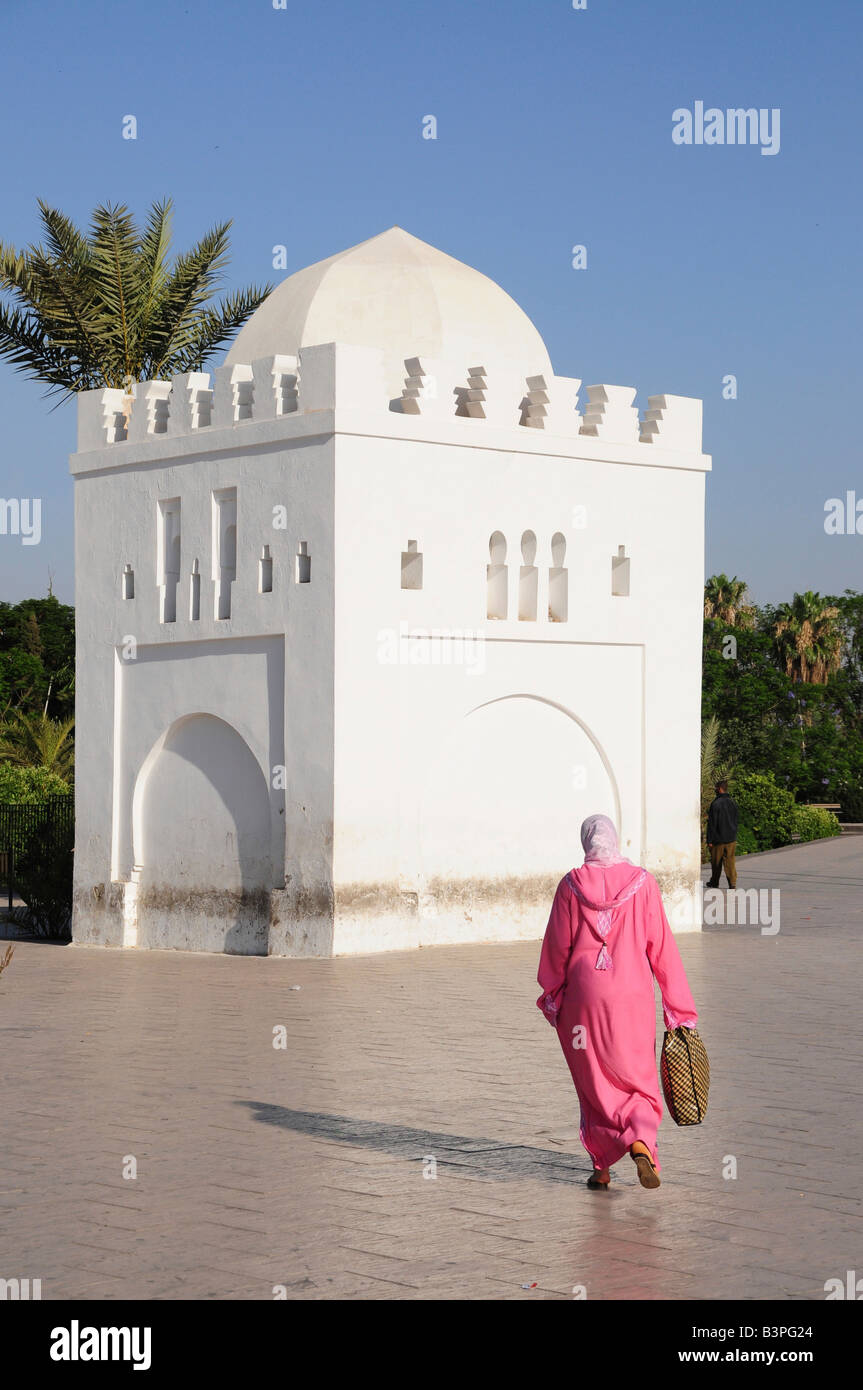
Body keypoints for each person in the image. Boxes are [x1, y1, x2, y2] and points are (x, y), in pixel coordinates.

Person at [536, 813, 698, 1190]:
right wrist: (679, 1011)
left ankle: (602, 1167)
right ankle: (641, 1140)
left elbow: (558, 947)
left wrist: (553, 995)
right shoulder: (643, 884)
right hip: (632, 997)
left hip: (584, 1000)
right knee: (637, 1077)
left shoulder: (570, 885)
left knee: (595, 1080)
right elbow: (662, 951)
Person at [706, 780, 739, 889]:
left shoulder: (715, 804)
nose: (715, 790)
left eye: (716, 788)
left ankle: (714, 882)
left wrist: (709, 840)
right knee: (730, 862)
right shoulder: (733, 802)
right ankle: (732, 883)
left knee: (716, 863)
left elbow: (712, 824)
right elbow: (736, 820)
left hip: (718, 839)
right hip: (731, 839)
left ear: (719, 789)